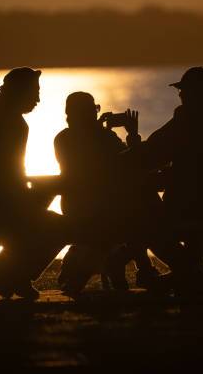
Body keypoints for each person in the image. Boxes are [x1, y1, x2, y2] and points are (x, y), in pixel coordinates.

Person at [122, 67, 203, 295]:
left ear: (195, 92)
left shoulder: (187, 119)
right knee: (185, 219)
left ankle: (190, 272)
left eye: (183, 90)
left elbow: (152, 154)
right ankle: (190, 273)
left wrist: (132, 140)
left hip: (192, 207)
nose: (180, 95)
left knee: (142, 220)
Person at [0, 67, 64, 304]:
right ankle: (2, 275)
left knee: (50, 210)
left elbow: (9, 173)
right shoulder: (11, 123)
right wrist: (36, 195)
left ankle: (11, 276)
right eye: (34, 93)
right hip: (1, 205)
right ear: (19, 91)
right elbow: (8, 175)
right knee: (62, 226)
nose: (38, 100)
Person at [53, 92, 160, 296]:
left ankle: (138, 269)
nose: (96, 113)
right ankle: (141, 269)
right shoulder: (102, 137)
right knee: (142, 213)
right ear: (88, 113)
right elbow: (132, 162)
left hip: (75, 207)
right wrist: (132, 135)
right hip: (102, 210)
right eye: (94, 109)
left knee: (136, 211)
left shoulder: (62, 139)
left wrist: (100, 130)